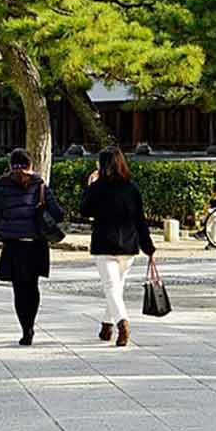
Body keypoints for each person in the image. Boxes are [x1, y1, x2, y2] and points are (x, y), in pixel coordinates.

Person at [79, 145, 155, 347]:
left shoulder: (97, 188)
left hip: (105, 243)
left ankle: (122, 324)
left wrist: (90, 186)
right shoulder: (132, 188)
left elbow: (84, 211)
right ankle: (106, 325)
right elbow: (140, 220)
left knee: (111, 287)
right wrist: (148, 245)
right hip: (128, 244)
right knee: (116, 288)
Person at [0, 147, 64, 346]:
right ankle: (30, 323)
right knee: (32, 287)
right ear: (31, 165)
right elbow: (59, 214)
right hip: (36, 244)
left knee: (19, 290)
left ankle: (25, 328)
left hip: (13, 245)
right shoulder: (39, 185)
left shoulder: (2, 186)